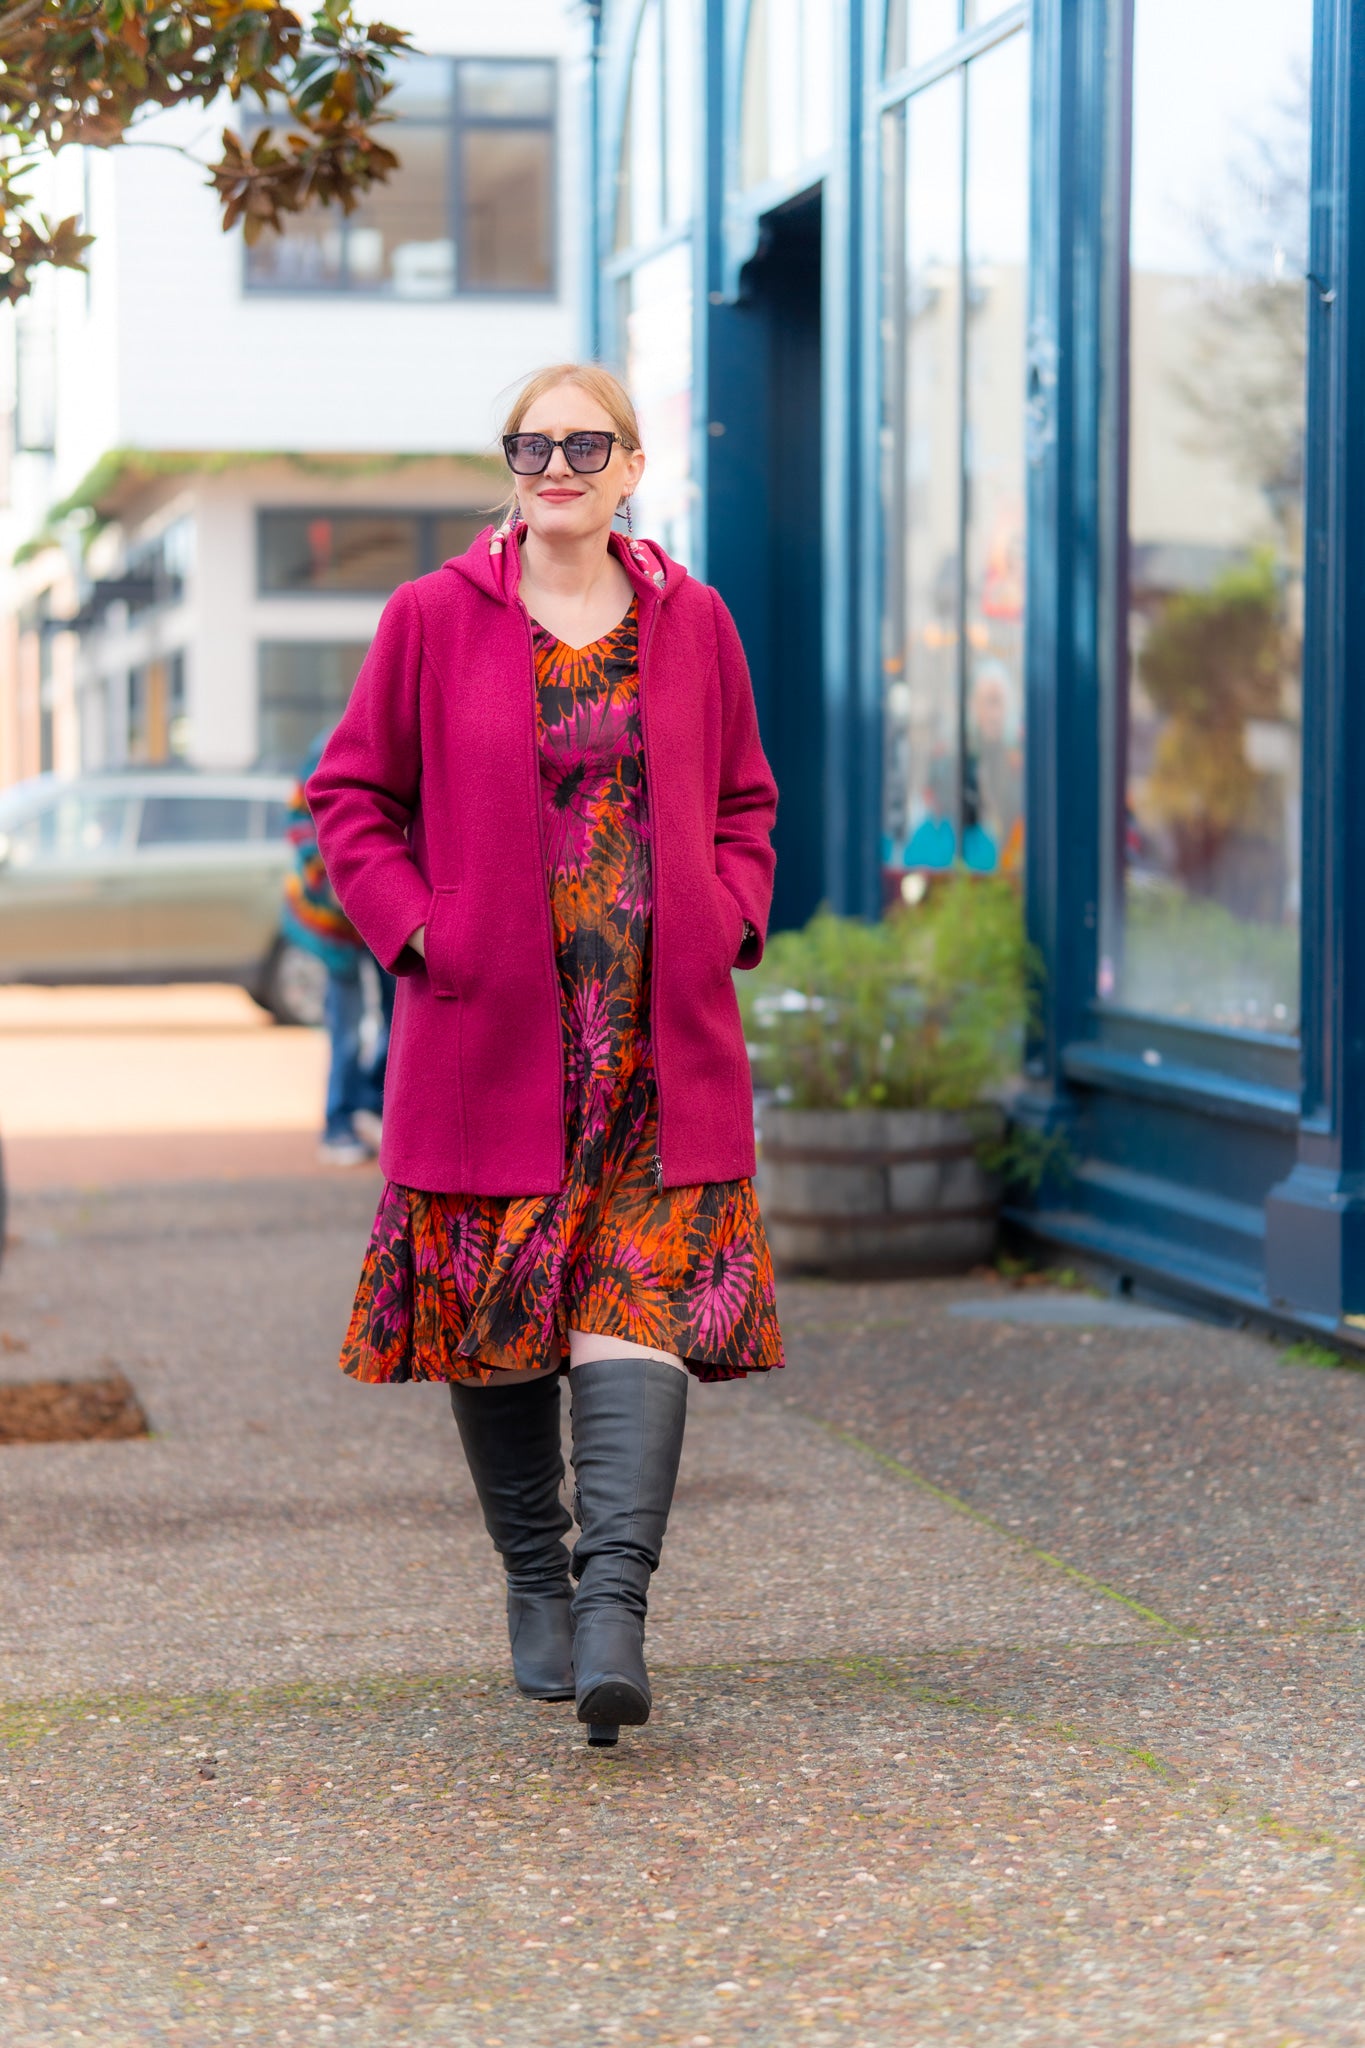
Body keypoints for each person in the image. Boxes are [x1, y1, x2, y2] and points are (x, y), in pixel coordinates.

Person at [308, 363, 783, 1746]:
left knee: (638, 1301)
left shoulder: (695, 619)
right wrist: (420, 931)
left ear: (631, 465)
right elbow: (350, 796)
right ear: (510, 467)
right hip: (491, 1031)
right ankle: (537, 1578)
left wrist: (727, 913)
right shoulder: (431, 617)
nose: (557, 466)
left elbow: (745, 801)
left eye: (584, 444)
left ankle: (612, 1607)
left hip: (656, 1037)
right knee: (500, 1314)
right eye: (533, 445)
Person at [282, 732, 395, 1165]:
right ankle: (338, 1122)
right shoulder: (329, 748)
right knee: (346, 1024)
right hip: (336, 914)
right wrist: (333, 874)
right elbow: (301, 825)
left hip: (383, 902)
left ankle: (368, 1101)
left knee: (398, 1015)